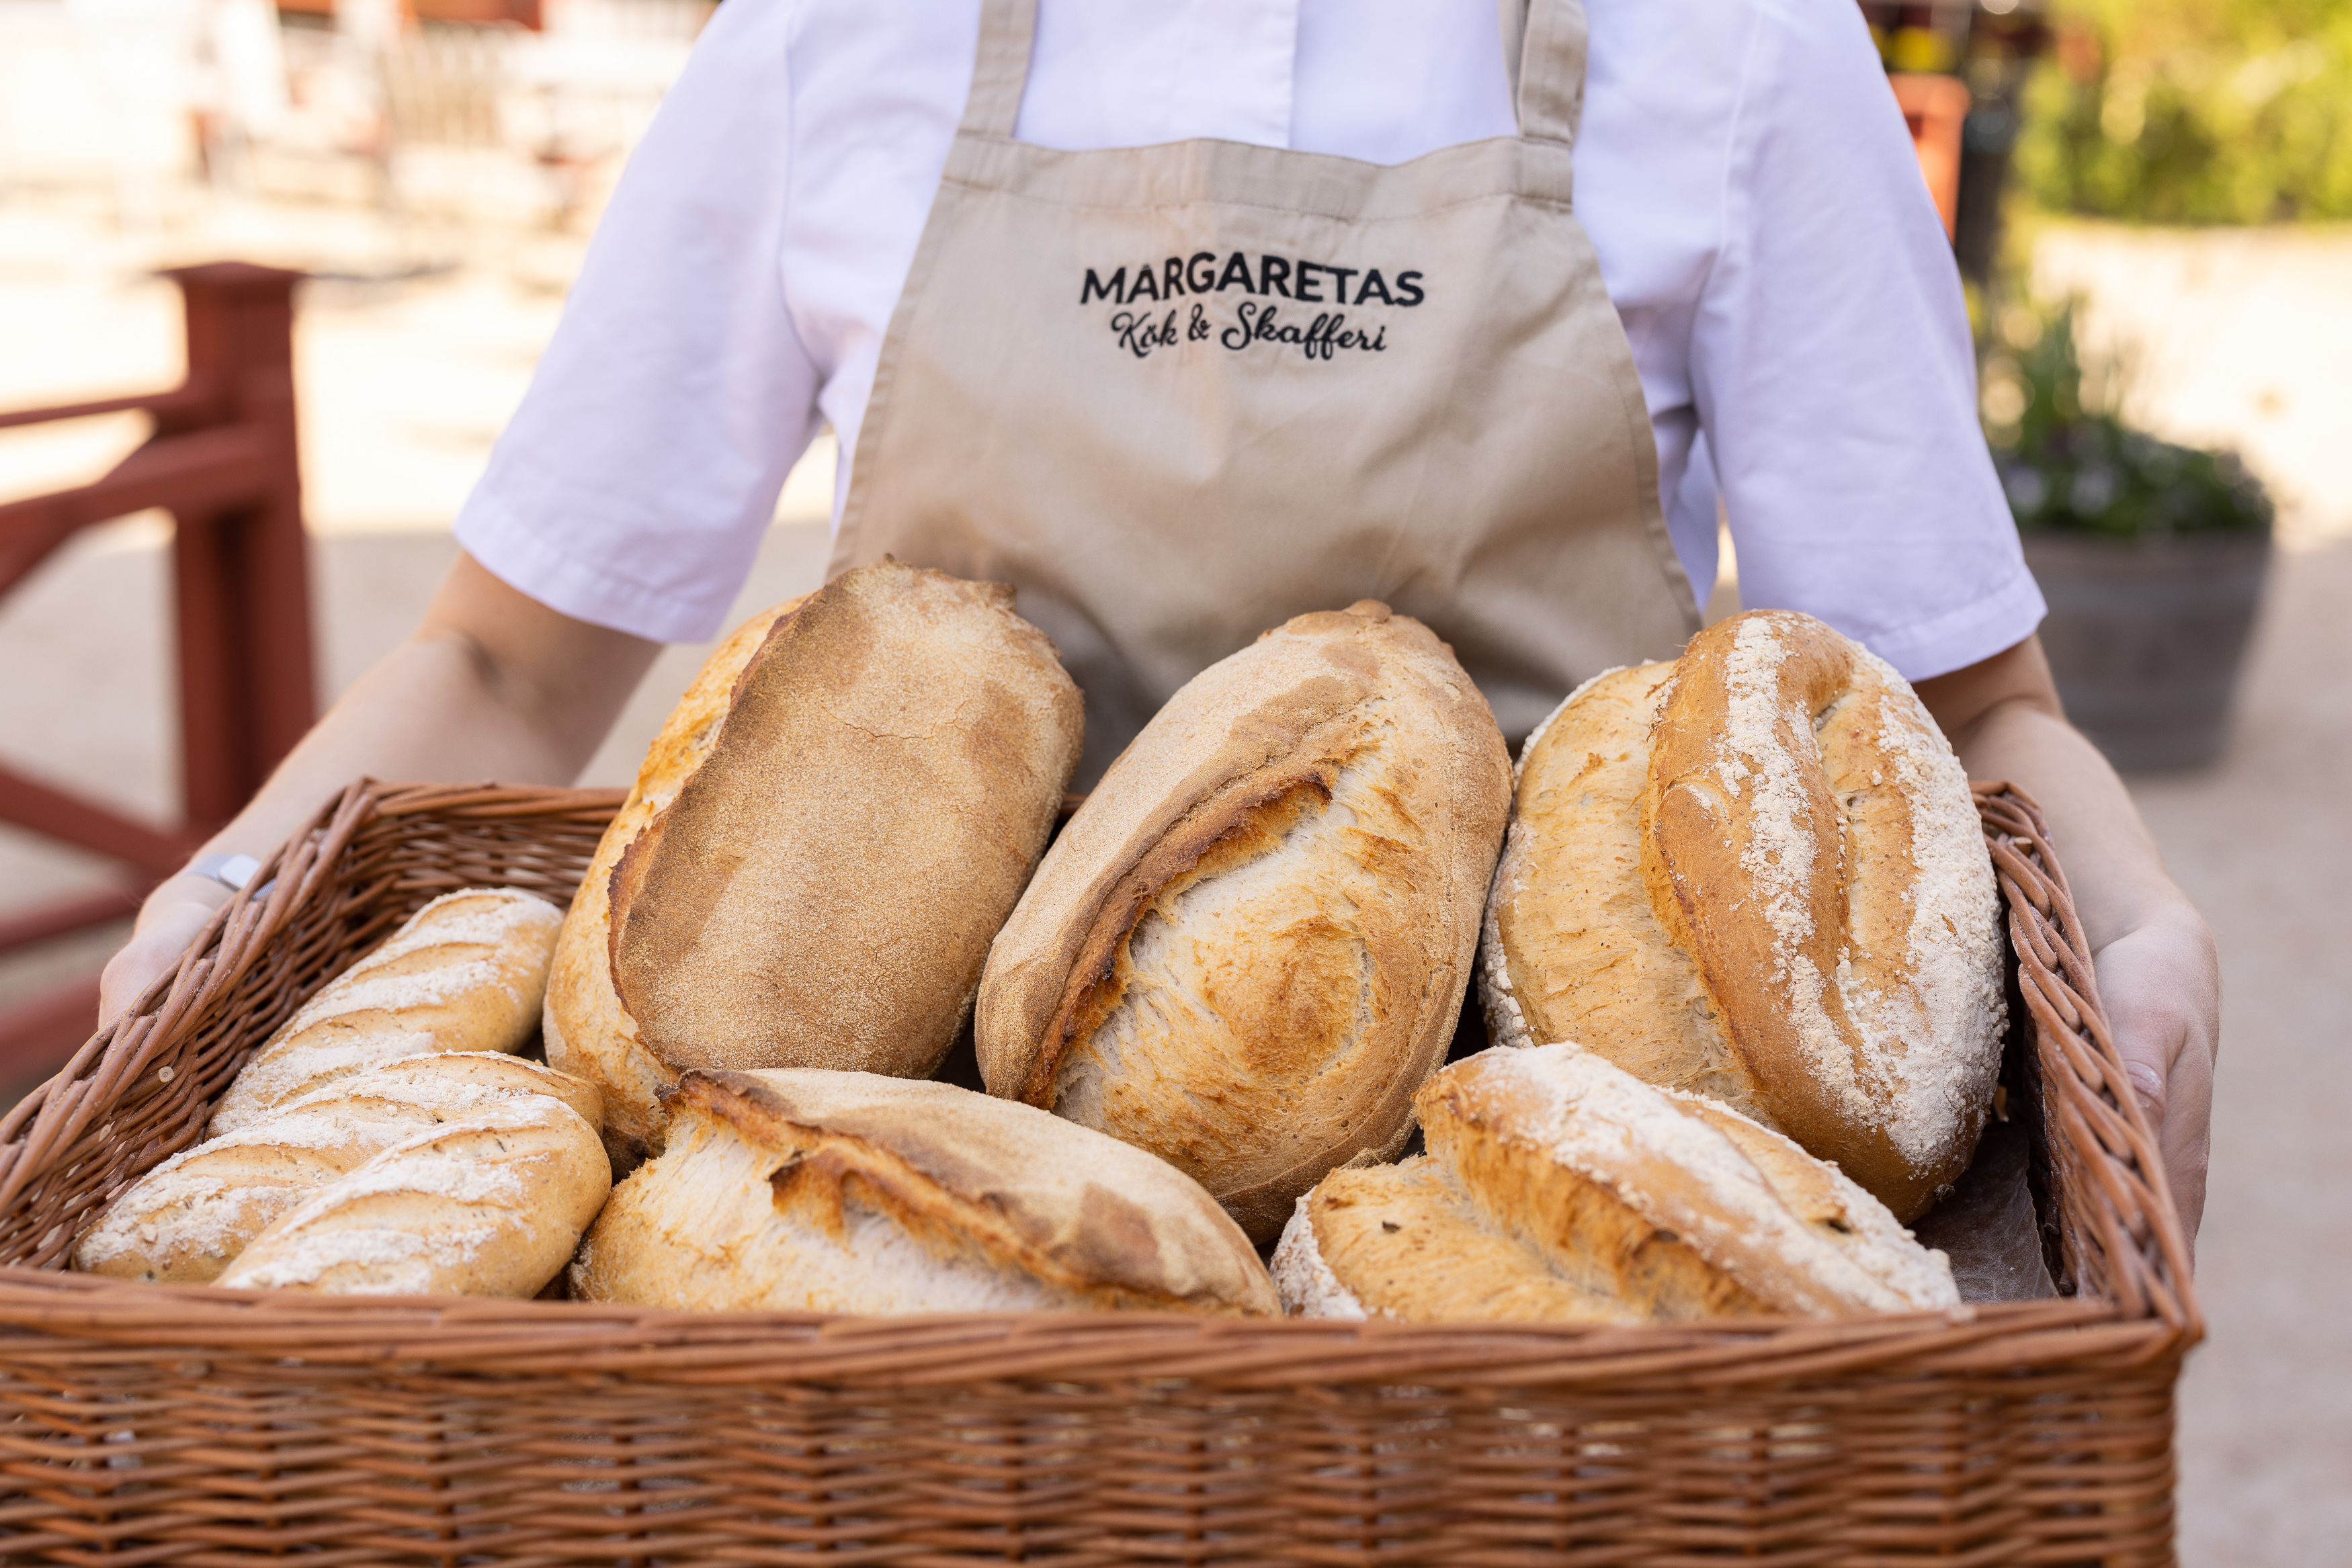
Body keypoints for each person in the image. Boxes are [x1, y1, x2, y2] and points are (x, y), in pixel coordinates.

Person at [99, 0, 2217, 1239]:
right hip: (911, 1175)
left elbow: (1967, 706)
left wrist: (2134, 926)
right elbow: (508, 654)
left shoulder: (1728, 42)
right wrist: (220, 890)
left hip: (1540, 1195)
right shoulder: (842, 36)